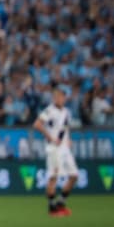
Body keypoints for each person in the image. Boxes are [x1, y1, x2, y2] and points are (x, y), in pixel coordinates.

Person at [34, 86, 77, 217]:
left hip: (65, 148)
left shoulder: (66, 111)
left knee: (74, 175)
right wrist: (50, 138)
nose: (61, 99)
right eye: (59, 96)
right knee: (54, 177)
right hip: (54, 149)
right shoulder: (49, 111)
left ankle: (61, 203)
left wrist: (68, 139)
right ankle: (52, 208)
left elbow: (64, 128)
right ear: (54, 98)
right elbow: (37, 124)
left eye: (63, 96)